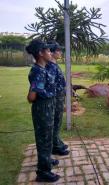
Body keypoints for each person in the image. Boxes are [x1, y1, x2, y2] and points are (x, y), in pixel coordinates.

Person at [26, 39, 60, 182]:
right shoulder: (38, 71)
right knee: (44, 139)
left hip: (48, 106)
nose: (50, 53)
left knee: (47, 137)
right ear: (40, 53)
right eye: (47, 51)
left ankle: (45, 160)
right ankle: (43, 172)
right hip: (42, 108)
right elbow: (31, 96)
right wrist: (39, 94)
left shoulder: (43, 68)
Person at [46, 41, 70, 155]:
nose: (60, 52)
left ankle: (57, 142)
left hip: (59, 97)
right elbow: (51, 86)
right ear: (51, 52)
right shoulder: (50, 67)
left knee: (58, 121)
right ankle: (55, 146)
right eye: (58, 50)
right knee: (55, 122)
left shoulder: (54, 64)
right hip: (55, 99)